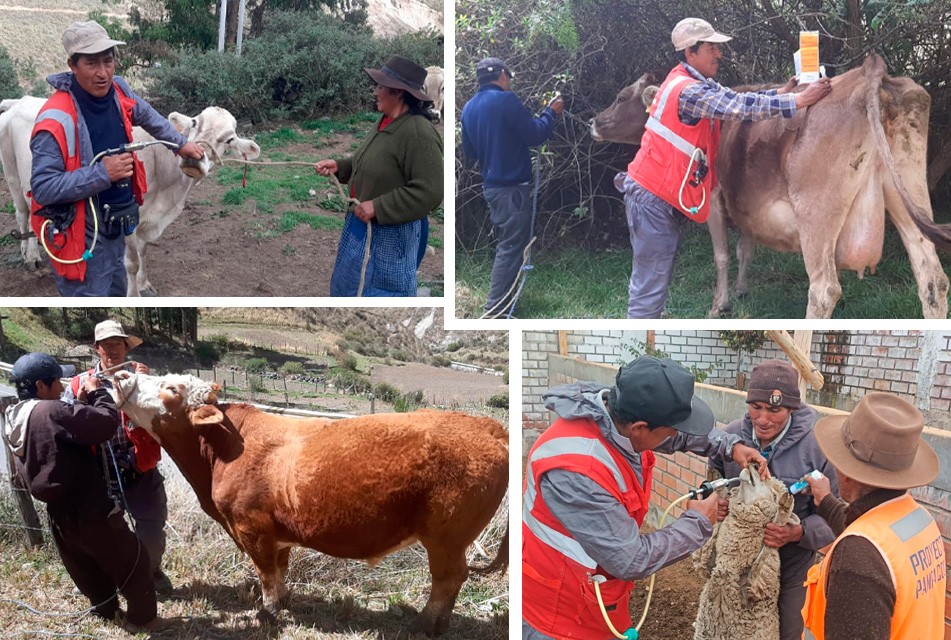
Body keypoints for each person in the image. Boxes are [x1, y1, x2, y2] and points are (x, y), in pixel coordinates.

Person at [522, 355, 771, 640]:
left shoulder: (616, 411)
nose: (677, 435)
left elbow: (671, 436)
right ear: (640, 428)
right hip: (557, 613)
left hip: (594, 592)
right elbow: (630, 560)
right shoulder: (580, 473)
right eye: (673, 428)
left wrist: (729, 445)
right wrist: (698, 522)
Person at [619, 18, 833, 318]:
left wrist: (781, 93)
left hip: (653, 195)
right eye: (711, 48)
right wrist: (797, 101)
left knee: (653, 275)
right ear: (690, 52)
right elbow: (738, 109)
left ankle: (648, 315)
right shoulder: (689, 91)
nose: (719, 54)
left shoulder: (688, 80)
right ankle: (643, 322)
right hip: (652, 199)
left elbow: (735, 98)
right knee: (648, 285)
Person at [30, 20, 205, 297]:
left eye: (108, 61)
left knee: (117, 290)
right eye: (91, 64)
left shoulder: (118, 91)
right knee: (91, 297)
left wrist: (181, 144)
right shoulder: (55, 120)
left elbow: (147, 116)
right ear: (72, 66)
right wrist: (103, 173)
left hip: (116, 227)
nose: (103, 73)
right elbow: (43, 188)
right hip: (82, 233)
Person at [2, 352, 158, 630]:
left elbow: (62, 433)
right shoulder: (51, 411)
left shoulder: (18, 415)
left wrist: (82, 404)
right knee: (132, 560)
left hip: (57, 512)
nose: (62, 388)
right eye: (55, 382)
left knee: (84, 565)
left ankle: (104, 608)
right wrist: (98, 395)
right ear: (40, 386)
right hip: (88, 507)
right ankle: (141, 619)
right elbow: (105, 424)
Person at [708, 359, 837, 640]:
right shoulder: (731, 438)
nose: (763, 419)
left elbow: (834, 514)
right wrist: (714, 502)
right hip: (737, 560)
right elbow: (711, 481)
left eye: (774, 410)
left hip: (792, 564)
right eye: (756, 407)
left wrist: (797, 533)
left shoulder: (818, 448)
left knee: (788, 629)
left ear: (792, 408)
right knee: (731, 624)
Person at [801, 392, 943, 639]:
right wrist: (825, 500)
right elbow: (870, 532)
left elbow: (866, 550)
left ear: (845, 472)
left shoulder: (856, 559)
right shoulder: (919, 519)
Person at [314, 54, 443, 297]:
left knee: (382, 292)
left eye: (381, 87)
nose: (375, 92)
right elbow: (375, 163)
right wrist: (340, 167)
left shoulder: (419, 133)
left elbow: (431, 191)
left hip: (392, 236)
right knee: (349, 285)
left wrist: (379, 207)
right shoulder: (385, 121)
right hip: (360, 224)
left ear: (399, 93)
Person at [62, 319, 172, 596]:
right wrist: (82, 399)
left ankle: (150, 570)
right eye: (106, 345)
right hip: (99, 474)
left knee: (152, 534)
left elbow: (163, 418)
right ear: (96, 349)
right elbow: (65, 422)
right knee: (101, 534)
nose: (112, 350)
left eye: (118, 344)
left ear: (126, 347)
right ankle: (107, 580)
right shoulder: (77, 384)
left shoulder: (142, 377)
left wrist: (149, 385)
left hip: (139, 469)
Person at [460, 57, 565, 318]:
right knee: (510, 247)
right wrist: (551, 112)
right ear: (503, 75)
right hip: (512, 190)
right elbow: (535, 135)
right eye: (510, 77)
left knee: (510, 244)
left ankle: (505, 306)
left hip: (492, 188)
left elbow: (470, 152)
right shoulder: (506, 101)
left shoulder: (468, 108)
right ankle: (494, 311)